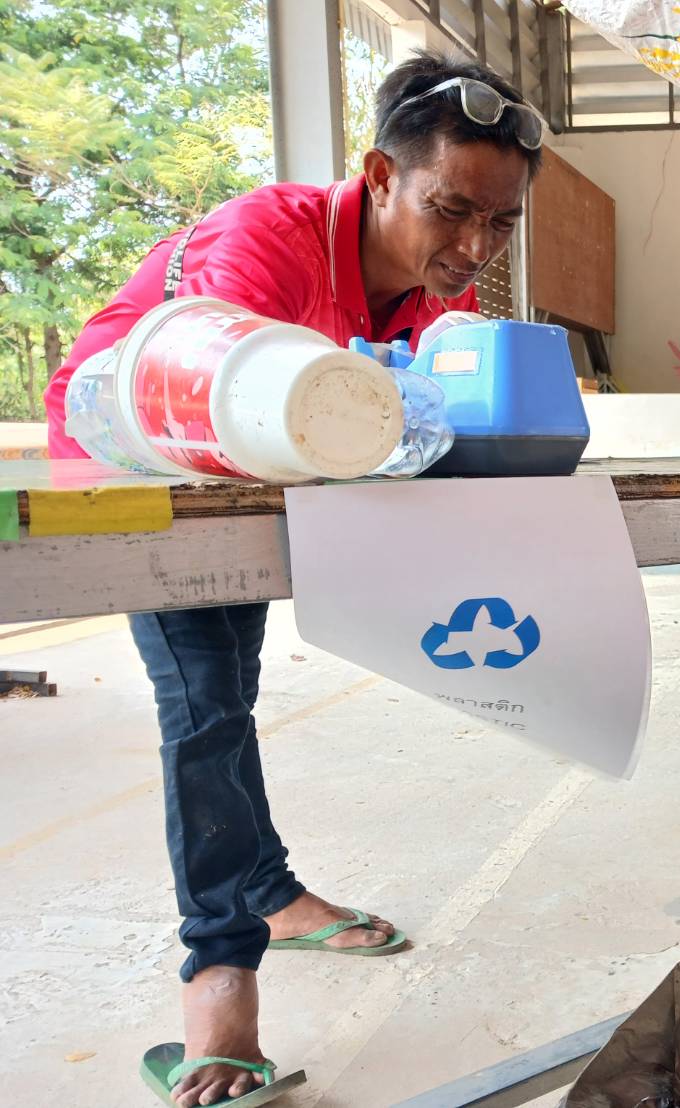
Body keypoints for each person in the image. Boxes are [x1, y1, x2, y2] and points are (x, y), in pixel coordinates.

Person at [43, 51, 544, 1107]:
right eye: (452, 211)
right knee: (205, 698)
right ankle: (219, 983)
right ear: (379, 175)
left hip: (268, 468)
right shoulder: (263, 238)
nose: (474, 247)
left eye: (500, 224)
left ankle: (266, 889)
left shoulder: (416, 296)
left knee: (233, 685)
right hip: (143, 462)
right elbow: (221, 404)